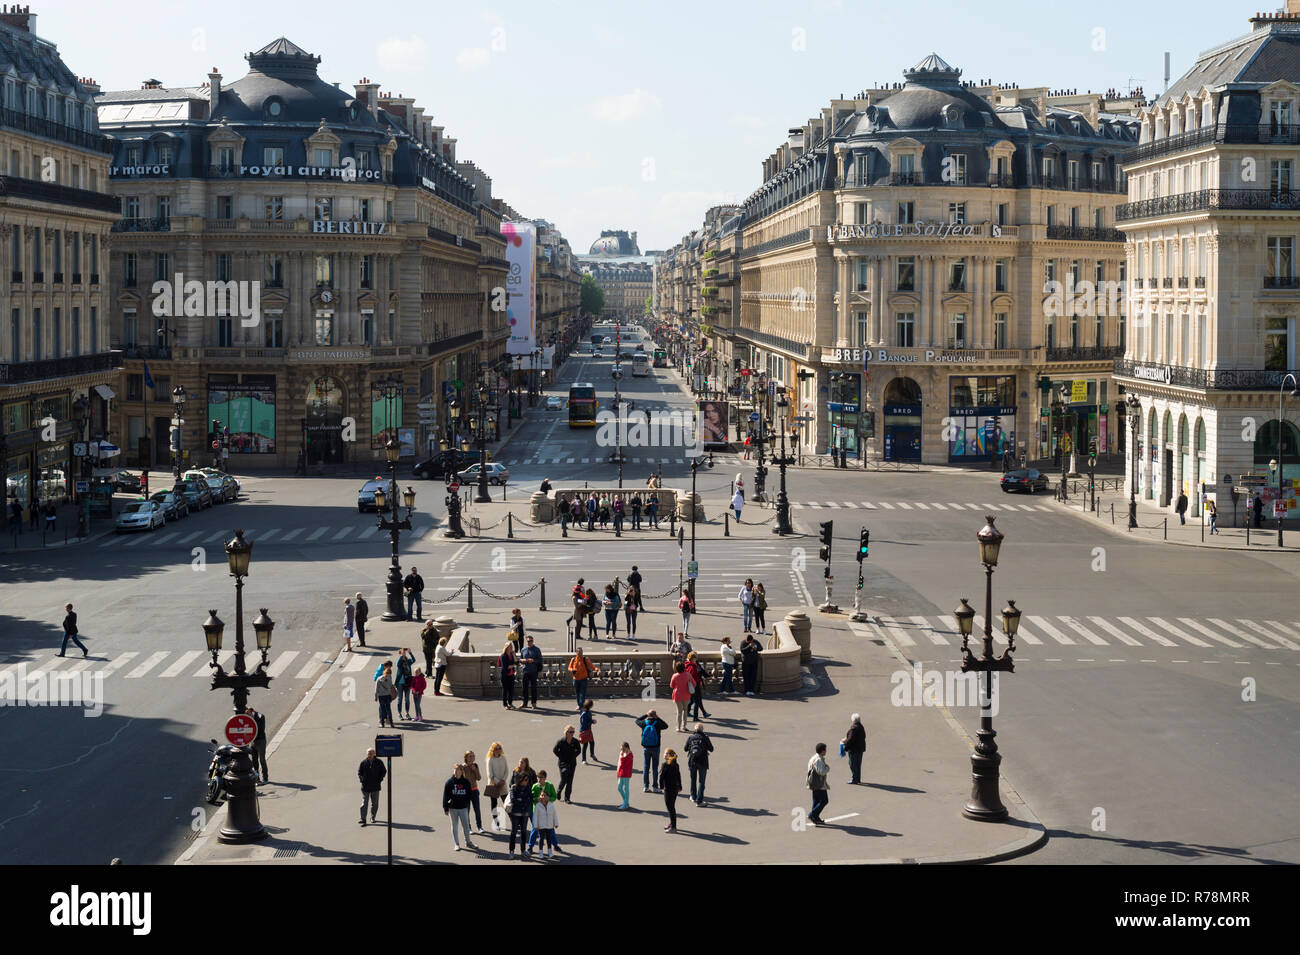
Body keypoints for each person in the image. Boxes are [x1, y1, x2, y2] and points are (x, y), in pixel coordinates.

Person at [442, 763, 475, 851]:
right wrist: (445, 808)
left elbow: (469, 794)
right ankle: (456, 844)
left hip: (463, 808)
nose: (456, 771)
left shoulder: (466, 782)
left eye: (458, 770)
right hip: (453, 809)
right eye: (455, 769)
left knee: (466, 826)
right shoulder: (449, 782)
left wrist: (466, 802)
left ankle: (468, 842)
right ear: (453, 771)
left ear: (461, 771)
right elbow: (445, 796)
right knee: (454, 826)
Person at [527, 770, 560, 854]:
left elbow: (554, 797)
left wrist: (549, 799)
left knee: (550, 829)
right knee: (535, 829)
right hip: (537, 812)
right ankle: (530, 847)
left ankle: (555, 845)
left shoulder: (549, 785)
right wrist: (536, 799)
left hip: (547, 811)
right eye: (538, 778)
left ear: (545, 778)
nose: (539, 780)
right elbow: (531, 798)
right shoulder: (535, 786)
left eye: (541, 778)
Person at [636, 709, 669, 792]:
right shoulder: (657, 723)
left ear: (648, 715)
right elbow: (666, 725)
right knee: (655, 768)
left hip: (646, 747)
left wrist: (645, 715)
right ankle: (655, 786)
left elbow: (637, 720)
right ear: (655, 715)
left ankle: (645, 786)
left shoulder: (644, 723)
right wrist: (658, 718)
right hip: (655, 747)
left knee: (646, 767)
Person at [506, 765, 534, 857]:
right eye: (525, 780)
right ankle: (511, 851)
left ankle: (523, 850)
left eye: (527, 780)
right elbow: (513, 799)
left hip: (525, 813)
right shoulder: (514, 787)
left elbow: (530, 800)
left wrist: (521, 800)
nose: (527, 782)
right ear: (520, 779)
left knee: (523, 832)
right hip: (515, 813)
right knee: (513, 832)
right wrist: (522, 801)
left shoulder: (528, 788)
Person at [684, 723, 714, 805]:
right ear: (702, 729)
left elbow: (685, 749)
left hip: (692, 761)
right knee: (701, 781)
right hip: (703, 761)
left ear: (694, 729)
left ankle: (693, 796)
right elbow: (711, 749)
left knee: (693, 779)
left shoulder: (691, 737)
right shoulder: (705, 737)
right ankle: (699, 801)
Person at [358, 747, 386, 826]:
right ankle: (363, 819)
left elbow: (383, 771)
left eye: (371, 753)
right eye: (368, 753)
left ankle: (373, 817)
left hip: (375, 787)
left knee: (375, 803)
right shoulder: (363, 763)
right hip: (365, 787)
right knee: (364, 803)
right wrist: (362, 780)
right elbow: (360, 773)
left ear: (374, 754)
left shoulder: (379, 762)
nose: (369, 755)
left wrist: (379, 780)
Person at [553, 725, 581, 803]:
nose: (572, 733)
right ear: (566, 732)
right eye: (570, 732)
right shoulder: (561, 741)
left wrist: (573, 756)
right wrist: (561, 756)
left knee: (570, 781)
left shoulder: (575, 741)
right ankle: (558, 791)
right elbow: (555, 750)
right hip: (563, 764)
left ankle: (567, 798)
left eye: (573, 732)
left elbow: (579, 750)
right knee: (564, 780)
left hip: (572, 764)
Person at [485, 742, 509, 830]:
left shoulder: (503, 758)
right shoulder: (490, 760)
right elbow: (490, 774)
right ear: (493, 750)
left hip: (503, 784)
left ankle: (514, 822)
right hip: (493, 784)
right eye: (496, 749)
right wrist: (497, 782)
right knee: (494, 804)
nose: (498, 750)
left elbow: (507, 771)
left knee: (507, 803)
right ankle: (496, 822)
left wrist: (503, 780)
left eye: (499, 748)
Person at [463, 749, 486, 833]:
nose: (472, 757)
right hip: (466, 792)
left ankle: (480, 827)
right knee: (467, 811)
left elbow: (479, 778)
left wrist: (474, 770)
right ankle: (468, 828)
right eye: (470, 756)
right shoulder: (463, 767)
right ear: (466, 757)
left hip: (475, 790)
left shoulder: (475, 765)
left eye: (473, 756)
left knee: (477, 809)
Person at [659, 749, 683, 832]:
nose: (664, 754)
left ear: (669, 755)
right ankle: (672, 823)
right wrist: (680, 786)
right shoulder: (676, 765)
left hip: (668, 789)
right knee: (672, 807)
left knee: (670, 807)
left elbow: (661, 777)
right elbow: (678, 776)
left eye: (665, 753)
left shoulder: (665, 765)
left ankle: (673, 827)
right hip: (675, 789)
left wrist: (661, 786)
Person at [807, 743, 830, 826]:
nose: (826, 751)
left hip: (812, 782)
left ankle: (815, 817)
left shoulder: (813, 757)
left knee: (816, 800)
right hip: (819, 784)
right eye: (825, 749)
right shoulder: (819, 760)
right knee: (824, 800)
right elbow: (822, 772)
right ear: (822, 751)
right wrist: (827, 768)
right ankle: (812, 815)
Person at [532, 789, 559, 858]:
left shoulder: (551, 805)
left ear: (548, 797)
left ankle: (550, 852)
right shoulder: (538, 806)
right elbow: (535, 817)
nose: (543, 796)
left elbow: (554, 815)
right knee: (541, 839)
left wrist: (556, 823)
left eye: (545, 795)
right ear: (540, 796)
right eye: (542, 795)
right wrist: (535, 825)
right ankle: (540, 852)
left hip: (549, 825)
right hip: (541, 826)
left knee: (549, 839)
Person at [841, 714, 866, 784]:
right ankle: (858, 779)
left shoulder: (853, 728)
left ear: (853, 720)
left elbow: (850, 739)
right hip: (860, 749)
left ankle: (854, 779)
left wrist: (845, 746)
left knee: (852, 764)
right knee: (858, 764)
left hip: (854, 749)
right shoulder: (861, 727)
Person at [685, 650, 710, 720]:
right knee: (697, 701)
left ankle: (687, 711)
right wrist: (699, 681)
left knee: (693, 700)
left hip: (692, 685)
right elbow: (693, 677)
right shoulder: (693, 667)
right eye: (696, 658)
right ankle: (695, 717)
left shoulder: (688, 665)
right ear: (693, 658)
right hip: (695, 685)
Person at [247, 705, 269, 783]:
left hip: (260, 740)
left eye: (248, 714)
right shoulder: (248, 718)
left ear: (252, 712)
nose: (247, 716)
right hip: (253, 741)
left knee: (262, 759)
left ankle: (265, 778)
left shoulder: (260, 717)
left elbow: (259, 729)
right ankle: (257, 779)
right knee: (254, 761)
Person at [520, 635, 543, 708]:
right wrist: (523, 661)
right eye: (528, 641)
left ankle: (534, 703)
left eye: (530, 641)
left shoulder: (537, 649)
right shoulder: (523, 649)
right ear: (526, 642)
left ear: (533, 641)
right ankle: (524, 703)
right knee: (524, 688)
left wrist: (533, 660)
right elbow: (520, 659)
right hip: (525, 671)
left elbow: (540, 660)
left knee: (533, 688)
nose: (529, 642)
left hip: (533, 671)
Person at [669, 662, 692, 732]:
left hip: (677, 695)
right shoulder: (688, 675)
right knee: (685, 711)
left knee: (679, 712)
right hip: (686, 695)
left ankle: (678, 727)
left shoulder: (674, 676)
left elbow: (671, 686)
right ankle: (684, 726)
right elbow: (694, 683)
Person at [568, 647, 592, 711]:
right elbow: (569, 668)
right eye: (579, 652)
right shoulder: (573, 659)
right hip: (576, 679)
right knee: (577, 693)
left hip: (583, 679)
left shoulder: (585, 659)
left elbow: (590, 666)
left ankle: (581, 705)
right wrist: (572, 670)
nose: (580, 653)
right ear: (576, 653)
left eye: (581, 652)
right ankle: (579, 704)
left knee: (583, 693)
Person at [394, 647, 415, 720]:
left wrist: (410, 652)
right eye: (403, 653)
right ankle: (399, 714)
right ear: (400, 654)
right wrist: (401, 656)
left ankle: (407, 713)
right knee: (400, 699)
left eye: (405, 653)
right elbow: (397, 664)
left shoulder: (408, 661)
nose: (404, 654)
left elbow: (413, 660)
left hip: (408, 682)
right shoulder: (399, 662)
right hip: (400, 683)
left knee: (407, 699)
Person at [498, 641, 518, 708]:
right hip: (505, 675)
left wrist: (514, 654)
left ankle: (510, 703)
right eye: (510, 647)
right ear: (506, 648)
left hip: (511, 675)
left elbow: (516, 662)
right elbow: (505, 667)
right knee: (505, 690)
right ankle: (505, 704)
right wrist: (513, 666)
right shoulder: (503, 656)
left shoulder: (511, 655)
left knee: (511, 690)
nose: (511, 648)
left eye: (511, 647)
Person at [375, 661, 395, 727]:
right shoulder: (389, 679)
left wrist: (376, 696)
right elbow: (390, 687)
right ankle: (391, 723)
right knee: (388, 709)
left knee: (382, 709)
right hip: (387, 695)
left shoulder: (379, 679)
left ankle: (382, 723)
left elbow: (376, 689)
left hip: (381, 696)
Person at [615, 742, 634, 809]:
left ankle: (625, 804)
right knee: (619, 787)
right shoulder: (623, 753)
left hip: (626, 774)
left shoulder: (630, 755)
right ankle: (626, 802)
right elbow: (619, 764)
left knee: (626, 788)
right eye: (621, 749)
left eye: (623, 749)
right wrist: (618, 772)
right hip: (621, 773)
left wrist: (621, 756)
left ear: (627, 748)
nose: (621, 750)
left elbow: (623, 763)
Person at [579, 699, 597, 763]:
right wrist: (592, 721)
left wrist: (592, 721)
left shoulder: (588, 711)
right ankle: (583, 759)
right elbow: (584, 723)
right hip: (584, 731)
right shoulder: (584, 713)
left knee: (592, 743)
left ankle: (592, 754)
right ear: (590, 706)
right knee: (585, 745)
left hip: (588, 730)